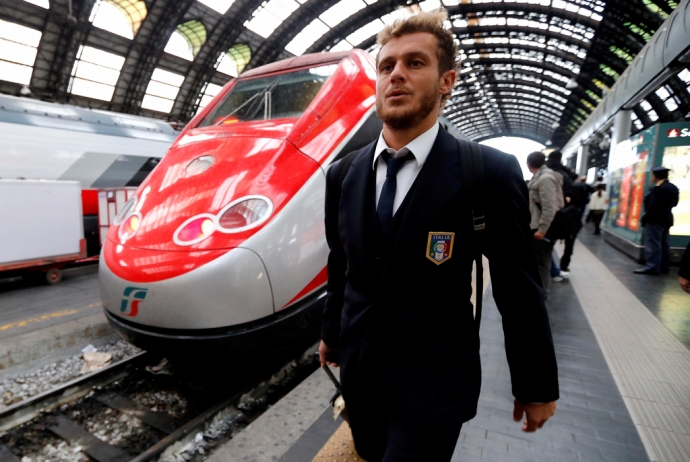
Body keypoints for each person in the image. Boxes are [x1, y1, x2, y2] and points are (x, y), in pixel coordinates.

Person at [318, 9, 558, 462]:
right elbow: (342, 262)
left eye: (415, 63)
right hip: (361, 377)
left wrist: (536, 385)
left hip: (433, 388)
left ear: (447, 81)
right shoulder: (343, 174)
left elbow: (518, 287)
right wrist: (332, 333)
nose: (396, 75)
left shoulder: (485, 172)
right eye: (386, 66)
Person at [526, 151, 564, 296]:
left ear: (528, 164)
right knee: (539, 261)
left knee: (542, 263)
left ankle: (540, 295)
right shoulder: (541, 176)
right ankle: (537, 292)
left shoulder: (545, 178)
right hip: (539, 225)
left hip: (543, 227)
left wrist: (542, 229)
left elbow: (549, 207)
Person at [635, 166, 679, 275]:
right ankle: (663, 267)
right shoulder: (673, 187)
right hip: (667, 219)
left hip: (654, 220)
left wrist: (646, 217)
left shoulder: (658, 189)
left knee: (653, 244)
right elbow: (674, 203)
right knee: (664, 244)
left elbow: (653, 206)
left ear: (655, 176)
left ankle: (652, 267)